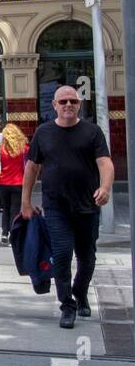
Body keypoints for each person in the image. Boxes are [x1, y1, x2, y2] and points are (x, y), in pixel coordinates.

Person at [20, 85, 114, 329]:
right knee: (61, 255)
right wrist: (25, 202)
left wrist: (105, 188)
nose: (68, 105)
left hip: (87, 207)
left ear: (79, 104)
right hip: (56, 208)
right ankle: (67, 305)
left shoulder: (92, 132)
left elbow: (105, 163)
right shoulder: (43, 133)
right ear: (54, 106)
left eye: (72, 101)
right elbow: (32, 168)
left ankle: (80, 292)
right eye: (63, 102)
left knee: (87, 258)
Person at [0, 123, 27, 244]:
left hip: (3, 183)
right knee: (15, 209)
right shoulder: (24, 149)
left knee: (6, 208)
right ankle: (13, 234)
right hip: (18, 183)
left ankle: (4, 233)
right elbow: (29, 166)